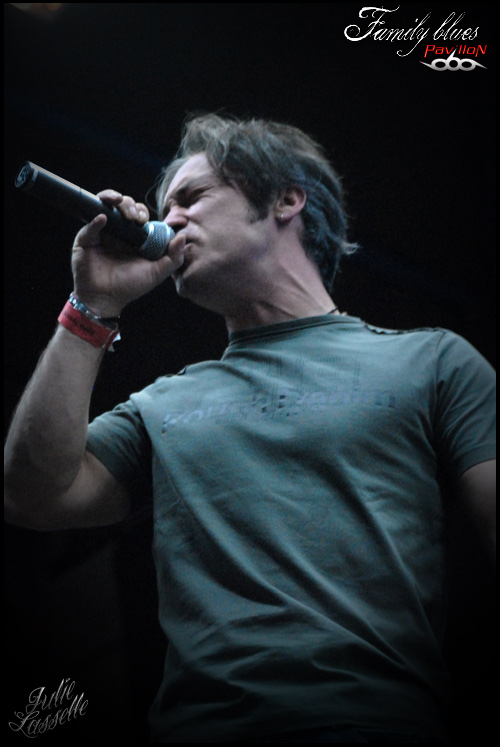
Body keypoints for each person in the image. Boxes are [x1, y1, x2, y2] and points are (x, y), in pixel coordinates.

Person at [4, 114, 496, 744]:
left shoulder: (431, 362)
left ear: (286, 200)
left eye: (192, 197)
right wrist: (92, 305)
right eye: (165, 208)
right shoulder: (163, 404)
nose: (170, 219)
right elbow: (33, 495)